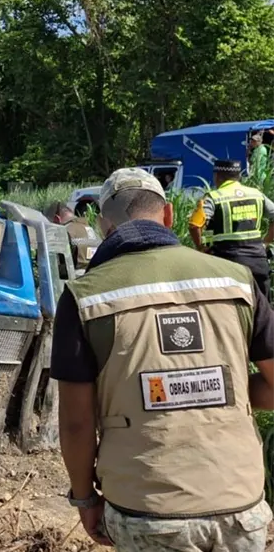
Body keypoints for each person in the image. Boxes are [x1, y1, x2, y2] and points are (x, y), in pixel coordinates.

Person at [51, 167, 274, 551]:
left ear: (104, 226)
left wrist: (84, 498)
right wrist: (215, 390)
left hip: (146, 509)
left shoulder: (84, 297)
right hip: (238, 500)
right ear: (168, 215)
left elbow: (76, 422)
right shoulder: (236, 279)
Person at [188, 159, 274, 298]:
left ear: (217, 176)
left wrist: (200, 247)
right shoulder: (256, 194)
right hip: (258, 259)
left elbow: (194, 225)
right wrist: (266, 242)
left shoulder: (214, 197)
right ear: (238, 176)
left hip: (228, 260)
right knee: (263, 308)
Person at [45, 201, 99, 270]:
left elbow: (54, 266)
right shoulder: (92, 230)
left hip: (77, 277)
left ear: (56, 219)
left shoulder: (64, 232)